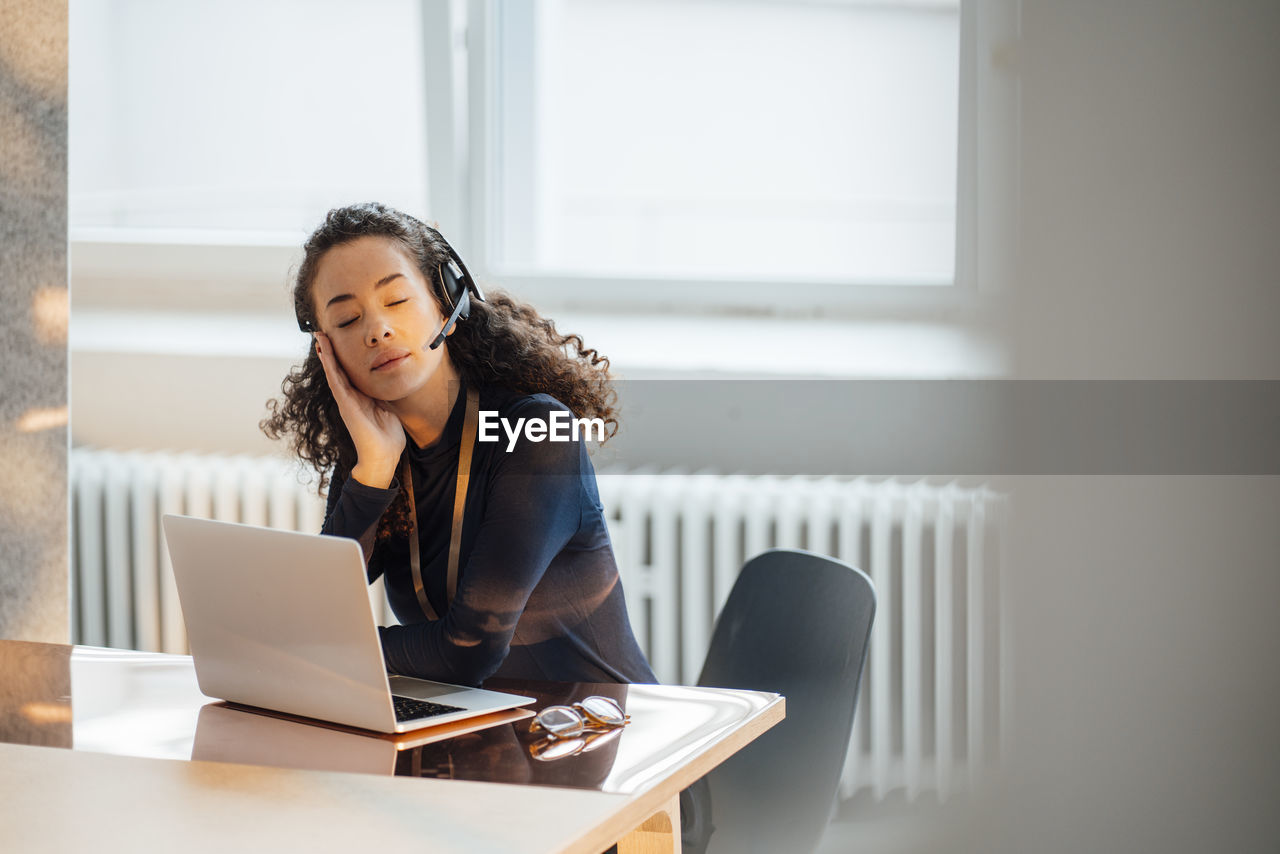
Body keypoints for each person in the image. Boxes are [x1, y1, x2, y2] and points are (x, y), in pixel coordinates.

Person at [261, 202, 656, 688]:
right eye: (346, 320)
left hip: (593, 734)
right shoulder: (375, 452)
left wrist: (322, 648)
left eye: (397, 300)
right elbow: (316, 606)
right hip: (471, 729)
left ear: (446, 299)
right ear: (326, 348)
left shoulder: (536, 430)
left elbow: (468, 650)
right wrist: (374, 469)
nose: (376, 330)